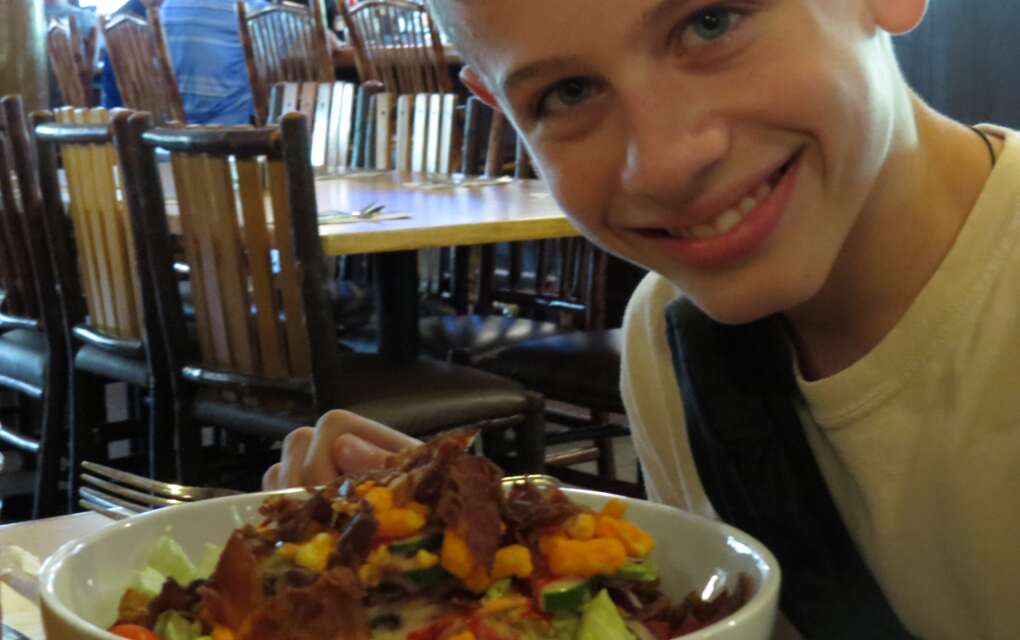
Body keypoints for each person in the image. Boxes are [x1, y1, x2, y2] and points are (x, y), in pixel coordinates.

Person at [263, 0, 1020, 637]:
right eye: (566, 93)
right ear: (499, 108)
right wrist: (450, 542)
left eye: (711, 21)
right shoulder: (669, 336)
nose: (662, 162)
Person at [159, 0, 262, 125]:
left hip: (170, 127)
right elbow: (286, 30)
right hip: (229, 129)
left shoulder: (166, 7)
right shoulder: (243, 7)